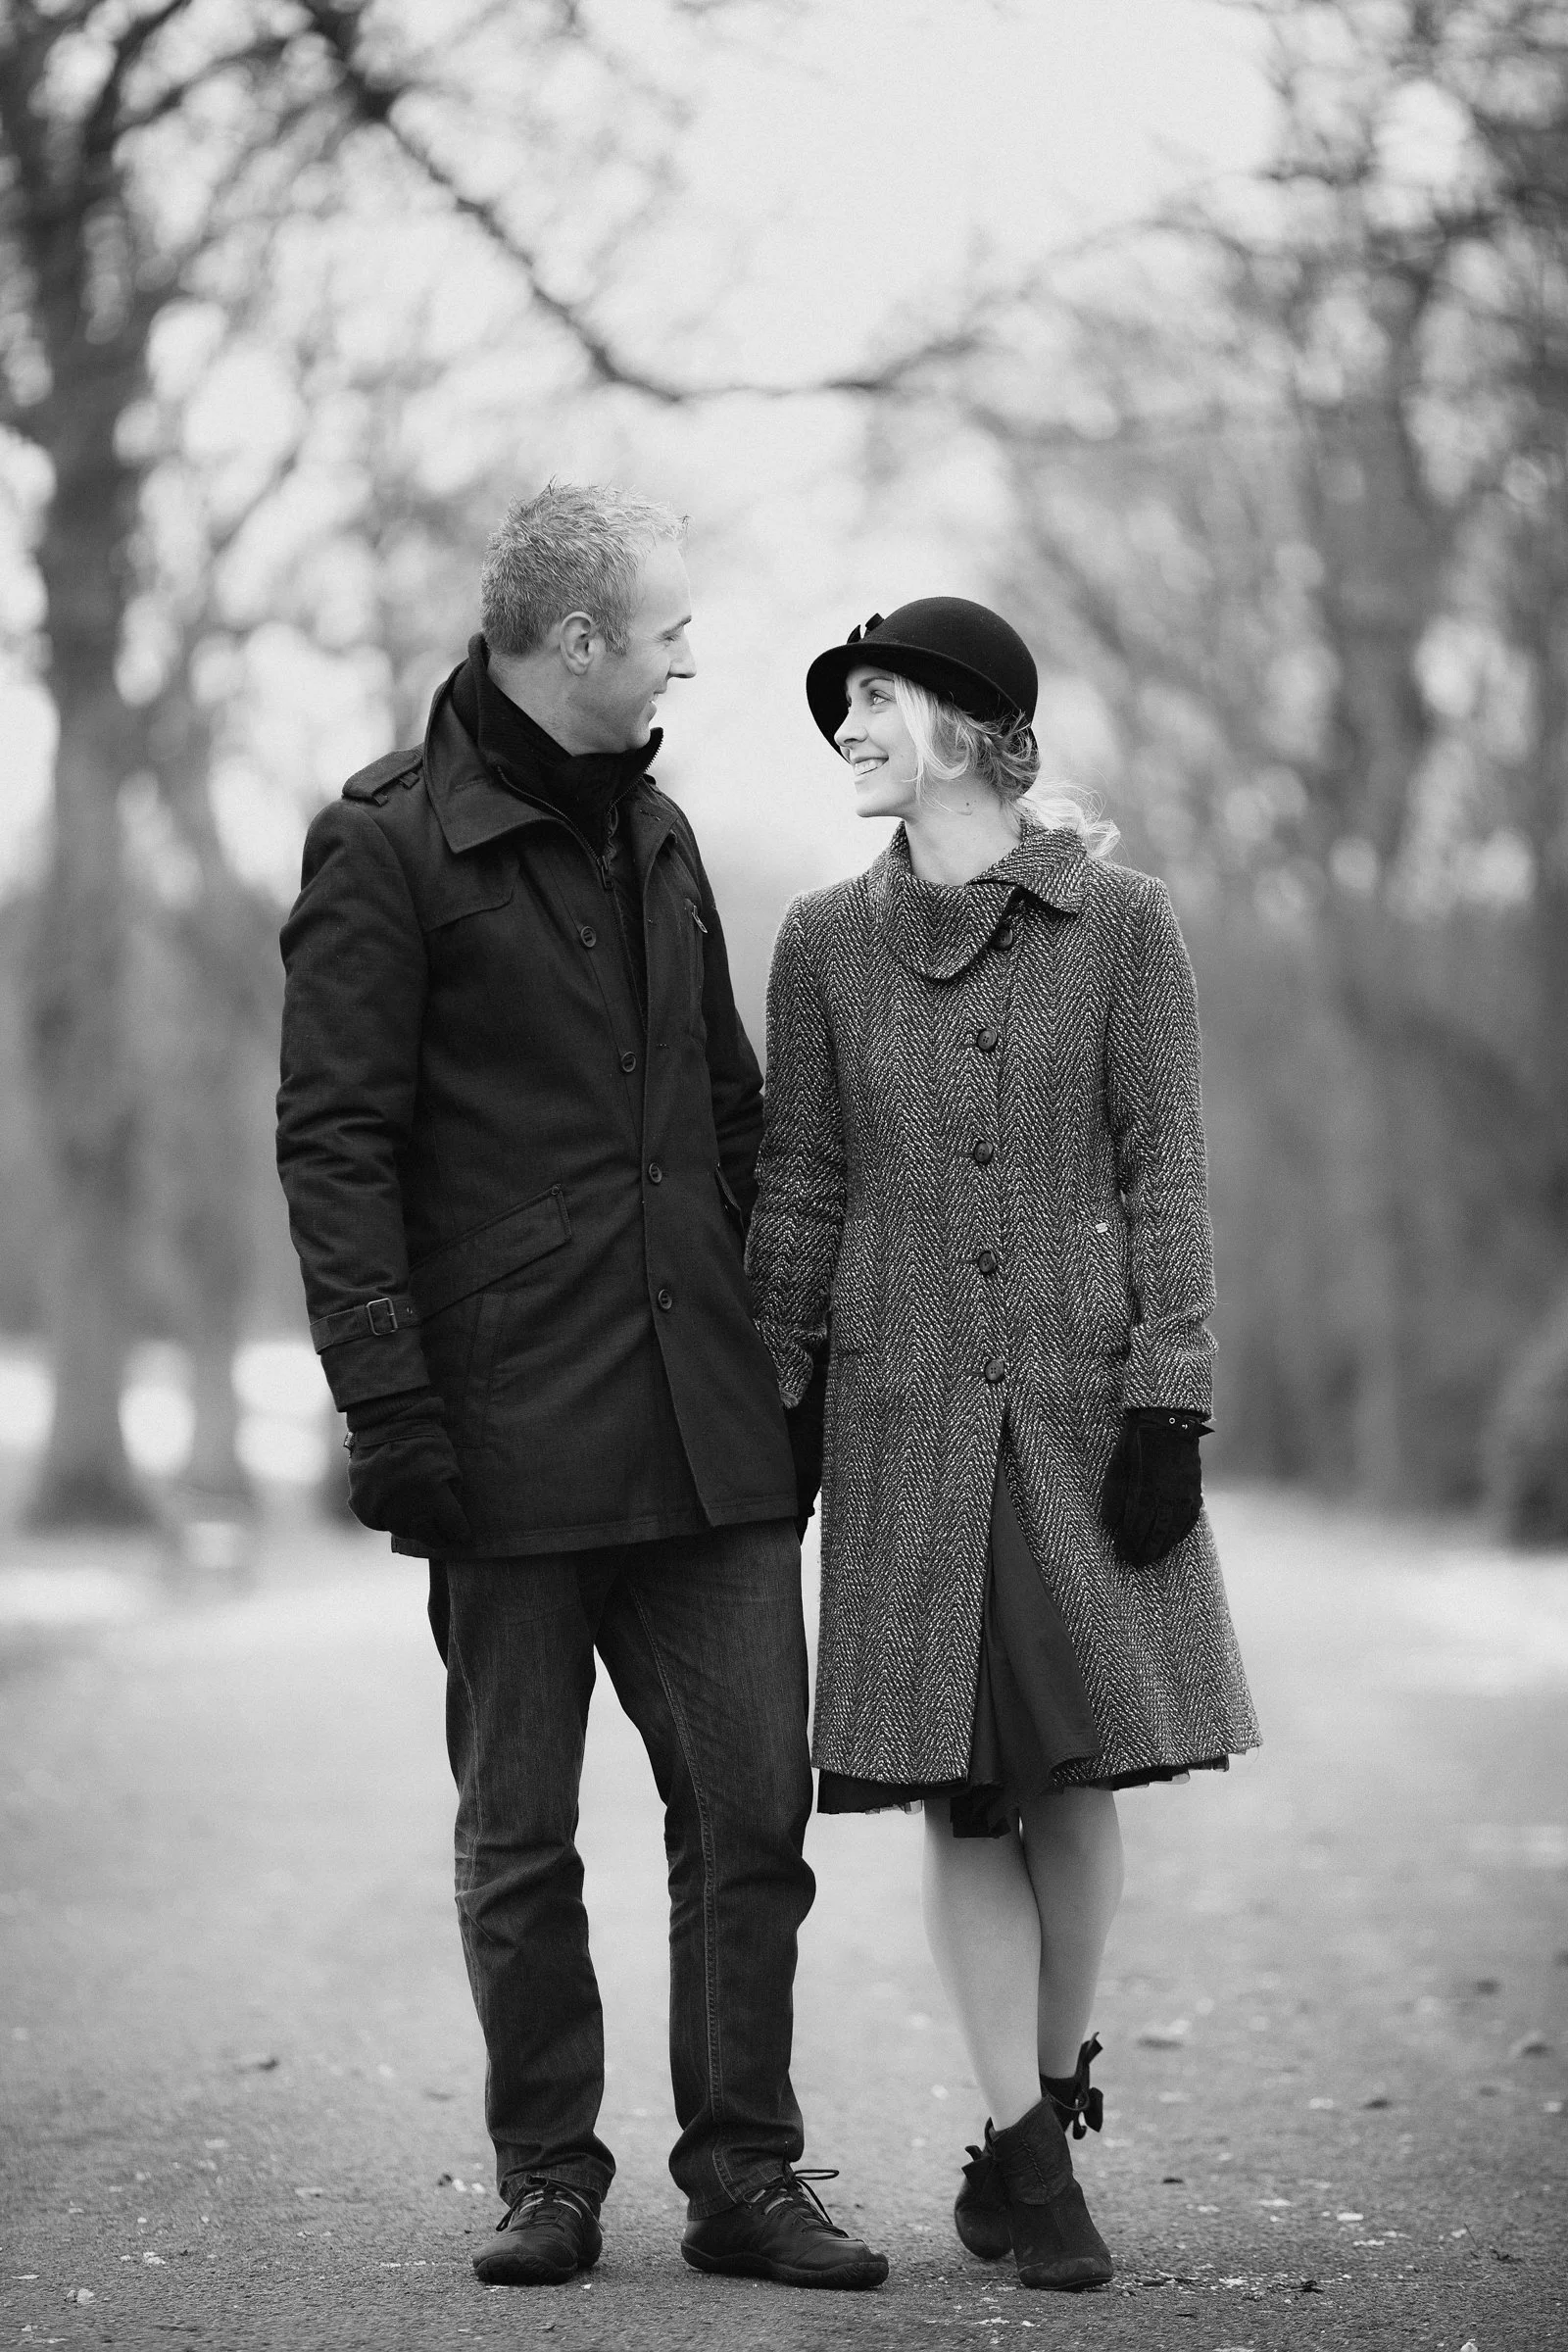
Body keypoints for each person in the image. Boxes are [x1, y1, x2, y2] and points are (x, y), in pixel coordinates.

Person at [275, 483, 887, 2293]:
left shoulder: (665, 831)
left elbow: (731, 1116)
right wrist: (387, 1409)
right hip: (504, 1432)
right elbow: (334, 1143)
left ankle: (744, 2178)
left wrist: (788, 1363)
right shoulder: (382, 847)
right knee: (519, 1838)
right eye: (669, 633)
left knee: (751, 1816)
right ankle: (549, 2173)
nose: (690, 659)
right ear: (575, 644)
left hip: (705, 1430)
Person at [746, 598, 1260, 2291]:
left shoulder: (1123, 924)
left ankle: (1043, 2096)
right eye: (843, 705)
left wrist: (1169, 1392)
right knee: (963, 1798)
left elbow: (1162, 1166)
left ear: (971, 722)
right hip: (900, 1417)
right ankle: (1031, 2167)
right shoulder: (821, 941)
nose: (851, 727)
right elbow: (805, 1178)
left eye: (877, 697)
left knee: (1079, 1770)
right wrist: (779, 1389)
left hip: (1077, 1404)